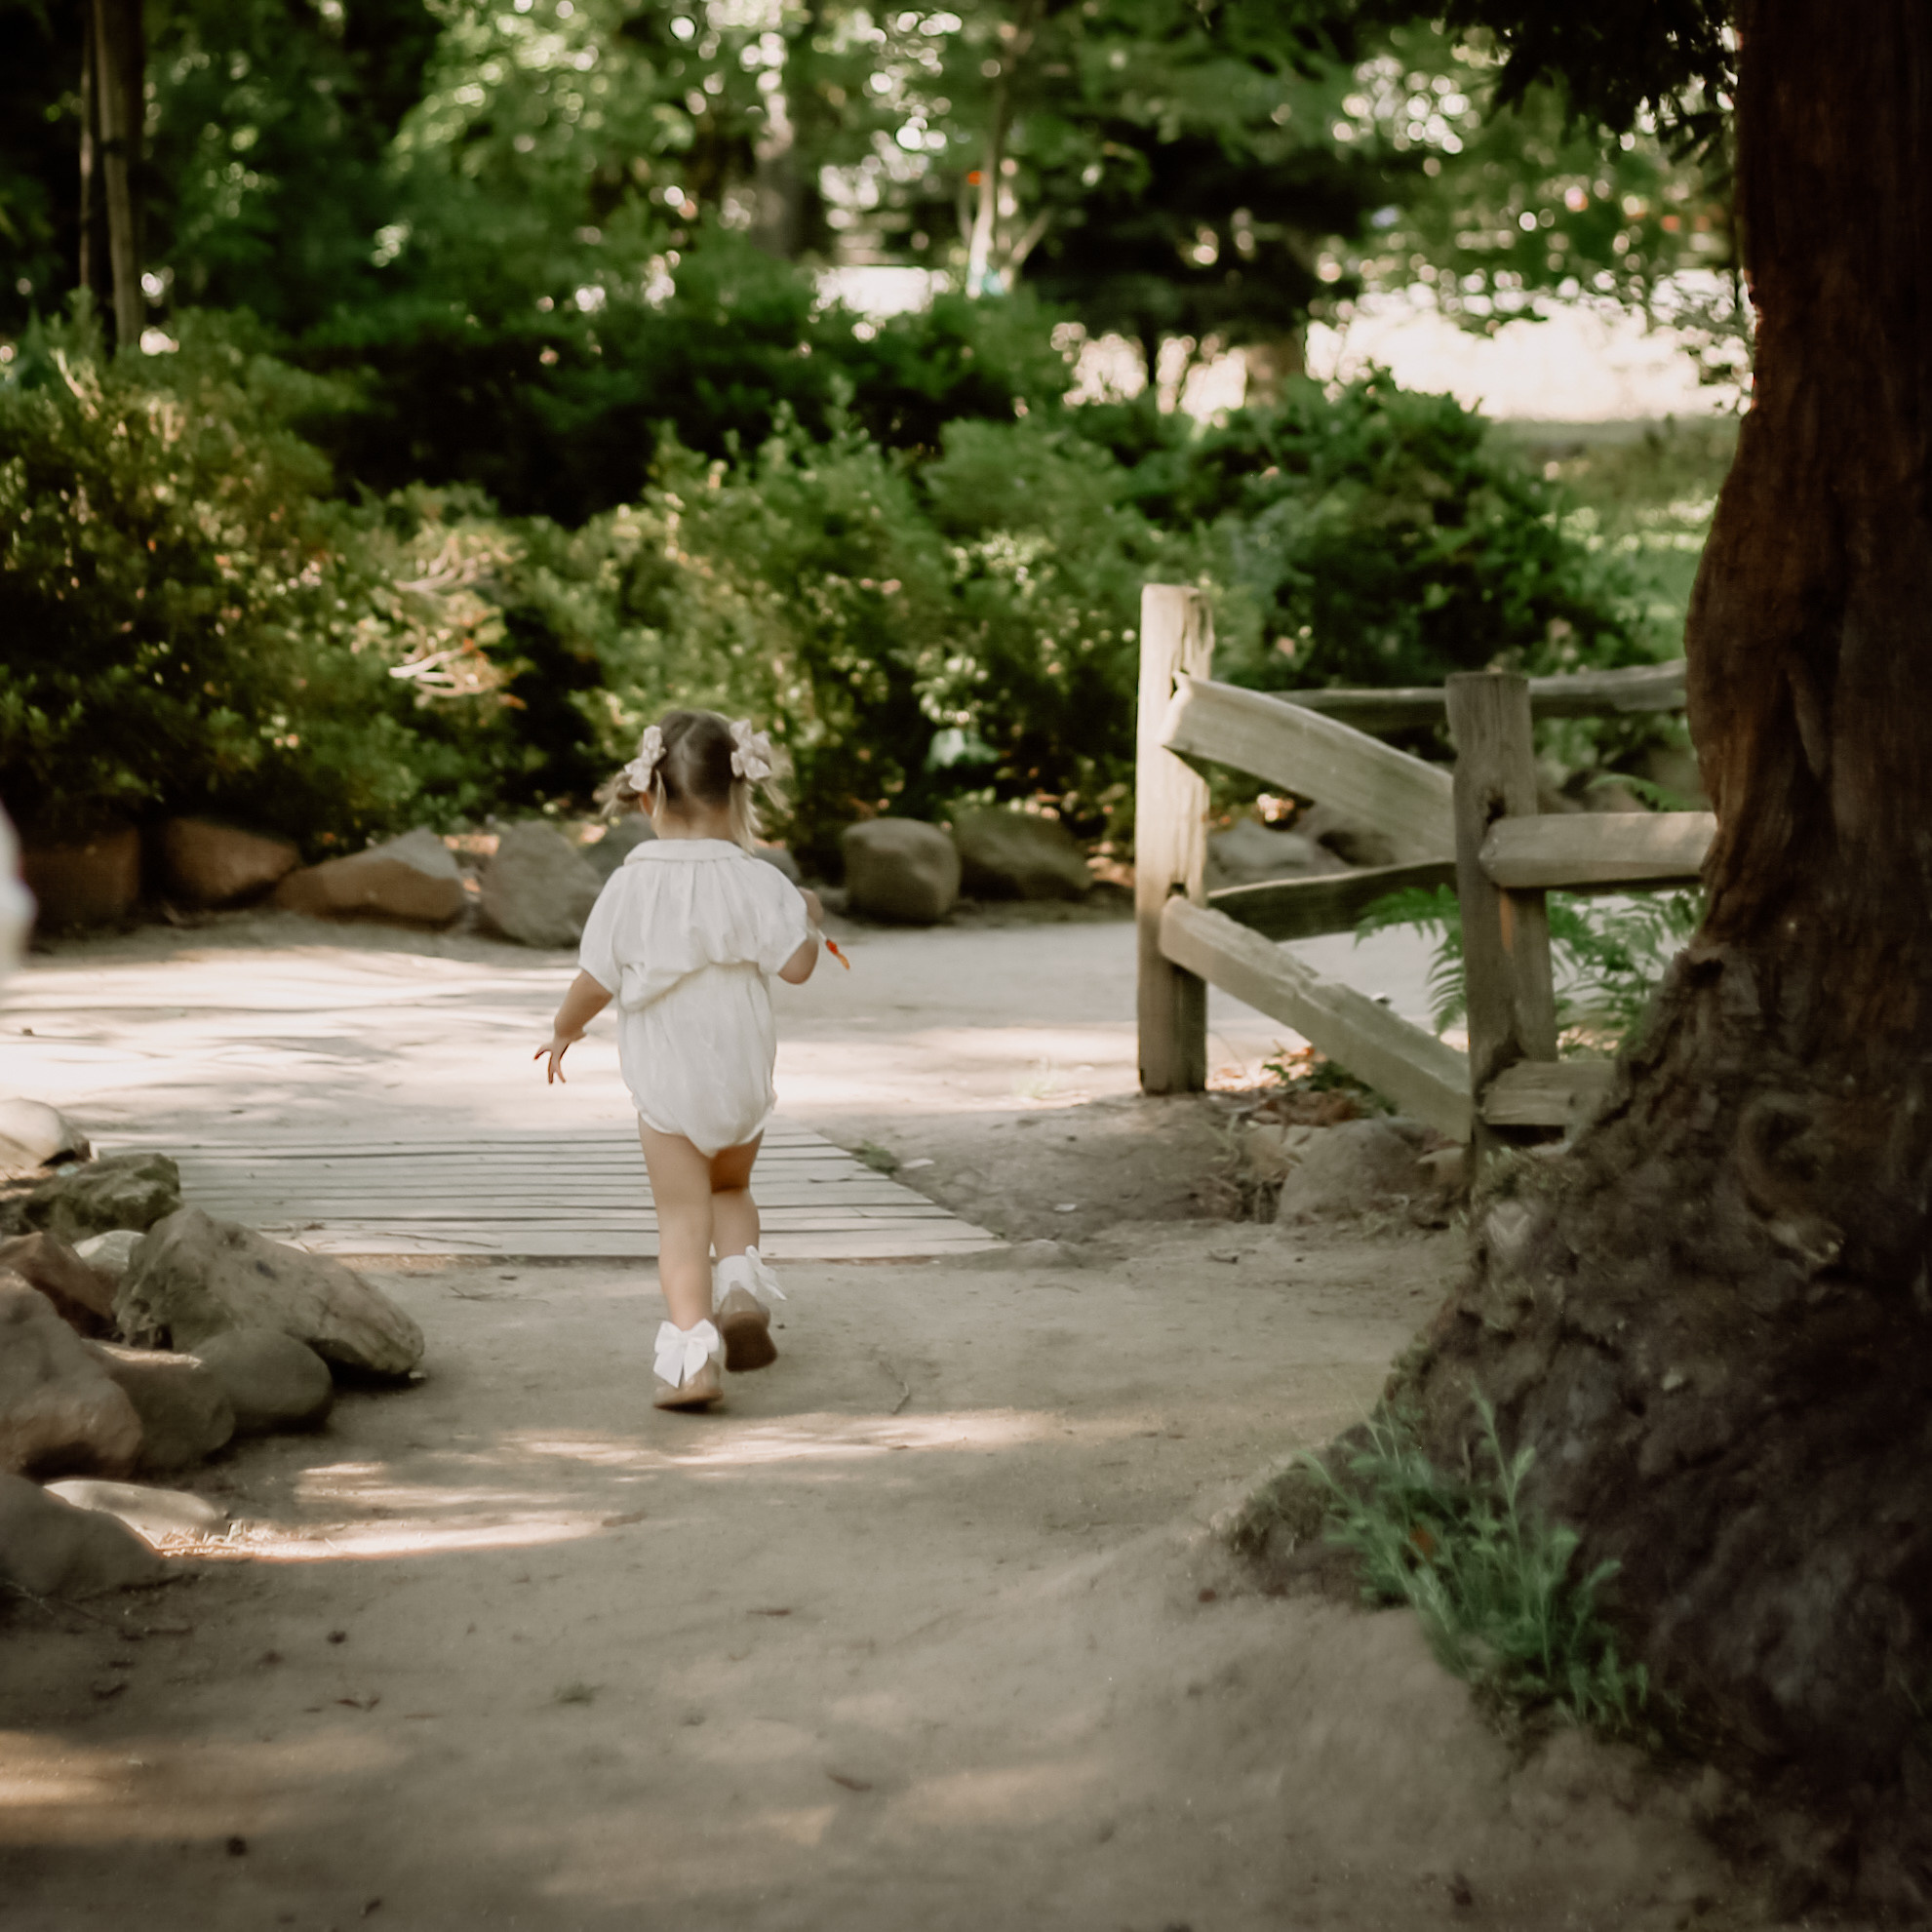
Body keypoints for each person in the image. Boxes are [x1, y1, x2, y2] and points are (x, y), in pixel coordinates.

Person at [534, 711, 823, 1411]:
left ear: (647, 797)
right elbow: (796, 969)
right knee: (730, 1191)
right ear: (739, 793)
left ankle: (694, 1361)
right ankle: (743, 1290)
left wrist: (564, 1028)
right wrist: (808, 917)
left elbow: (596, 978)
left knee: (681, 1220)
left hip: (670, 1088)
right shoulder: (760, 881)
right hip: (741, 1079)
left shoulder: (630, 885)